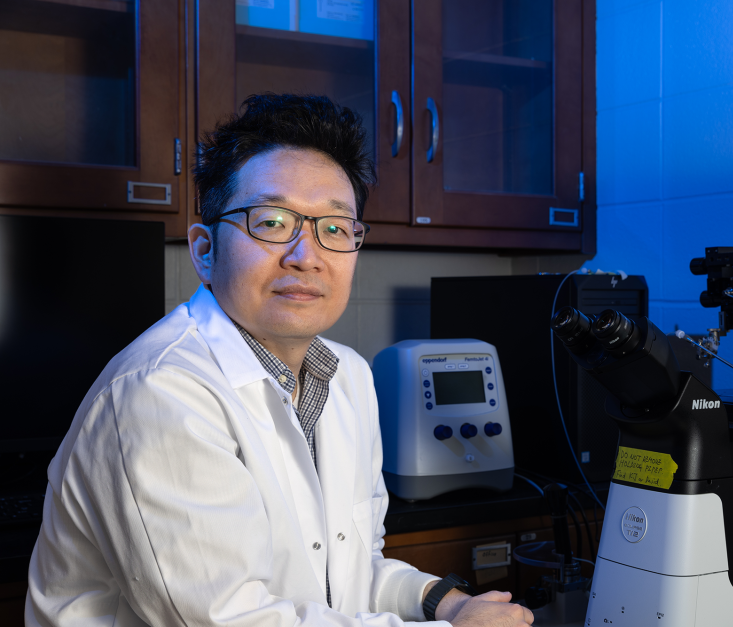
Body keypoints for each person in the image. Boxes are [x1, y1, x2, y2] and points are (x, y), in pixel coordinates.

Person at [26, 94, 536, 627]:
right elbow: (231, 620)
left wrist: (450, 605)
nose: (306, 254)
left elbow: (351, 572)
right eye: (271, 222)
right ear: (204, 250)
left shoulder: (349, 377)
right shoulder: (162, 393)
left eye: (335, 229)